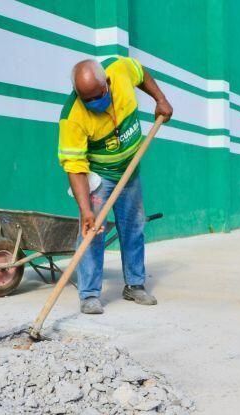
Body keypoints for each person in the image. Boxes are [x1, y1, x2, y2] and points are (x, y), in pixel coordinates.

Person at [58, 57, 173, 315]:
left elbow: (141, 75)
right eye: (86, 100)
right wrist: (86, 209)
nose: (93, 104)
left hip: (130, 171)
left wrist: (160, 99)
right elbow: (74, 167)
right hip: (100, 176)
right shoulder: (72, 117)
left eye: (97, 96)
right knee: (91, 232)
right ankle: (88, 294)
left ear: (107, 83)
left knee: (134, 227)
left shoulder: (119, 70)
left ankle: (134, 284)